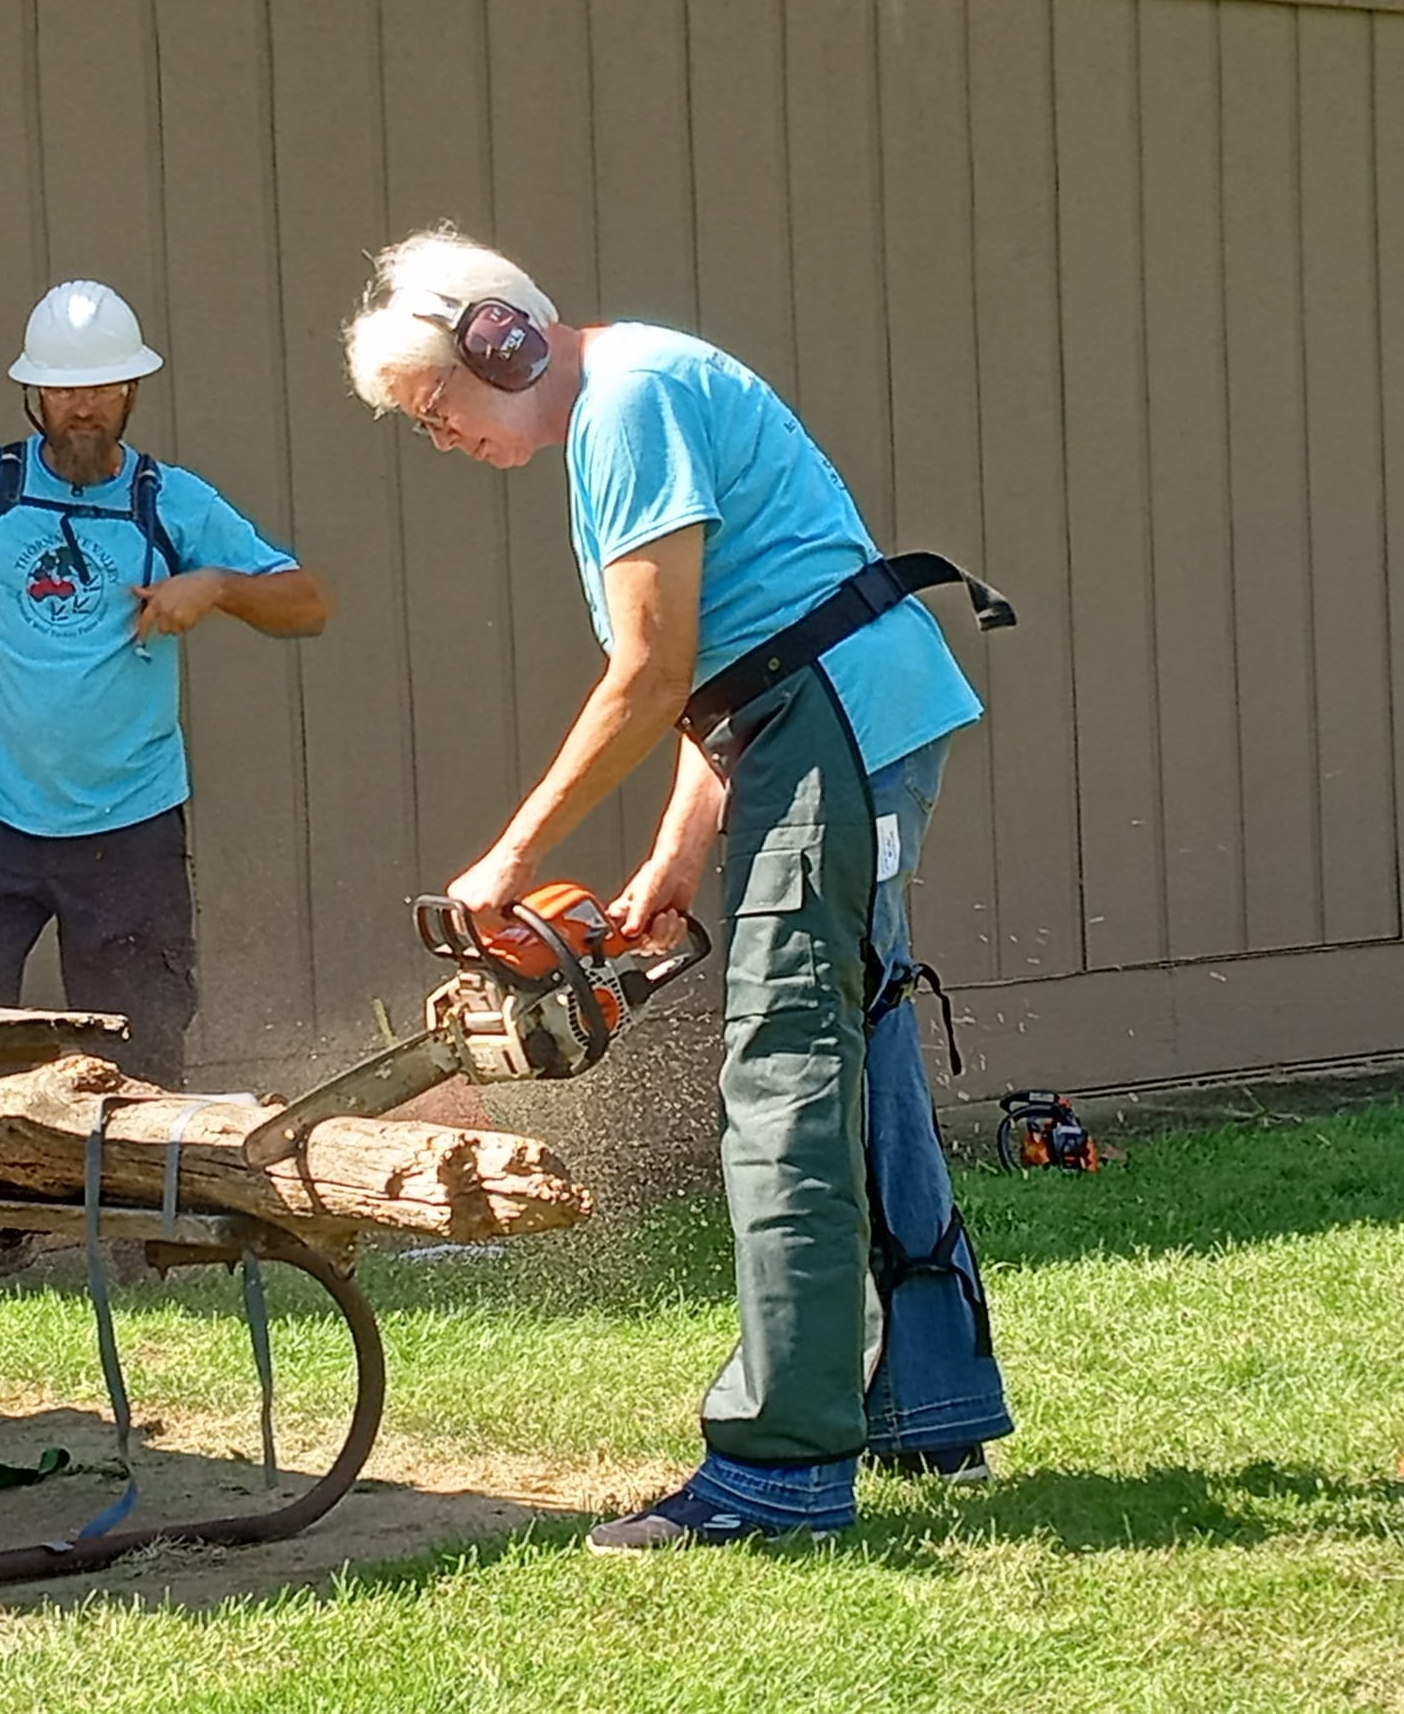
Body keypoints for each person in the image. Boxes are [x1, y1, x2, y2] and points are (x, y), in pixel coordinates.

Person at [342, 229, 1014, 1549]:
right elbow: (728, 669)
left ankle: (781, 1469)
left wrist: (512, 853)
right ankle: (928, 1399)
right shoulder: (618, 411)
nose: (443, 439)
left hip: (832, 718)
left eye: (437, 409)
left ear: (503, 340)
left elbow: (651, 674)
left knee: (784, 1067)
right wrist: (672, 859)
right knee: (857, 1040)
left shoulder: (631, 397)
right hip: (809, 710)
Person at [0, 281, 329, 1088]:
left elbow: (308, 603)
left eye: (101, 387)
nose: (82, 406)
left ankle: (132, 1216)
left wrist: (216, 584)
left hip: (130, 828)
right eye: (63, 389)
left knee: (140, 1062)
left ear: (132, 391)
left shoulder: (170, 500)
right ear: (33, 394)